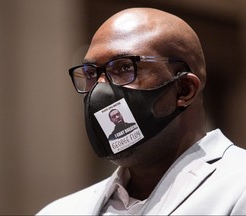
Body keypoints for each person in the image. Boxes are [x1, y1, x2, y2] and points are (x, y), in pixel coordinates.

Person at [37, 8, 246, 215]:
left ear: (184, 89)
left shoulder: (238, 187)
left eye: (124, 68)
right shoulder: (60, 211)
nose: (100, 91)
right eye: (91, 73)